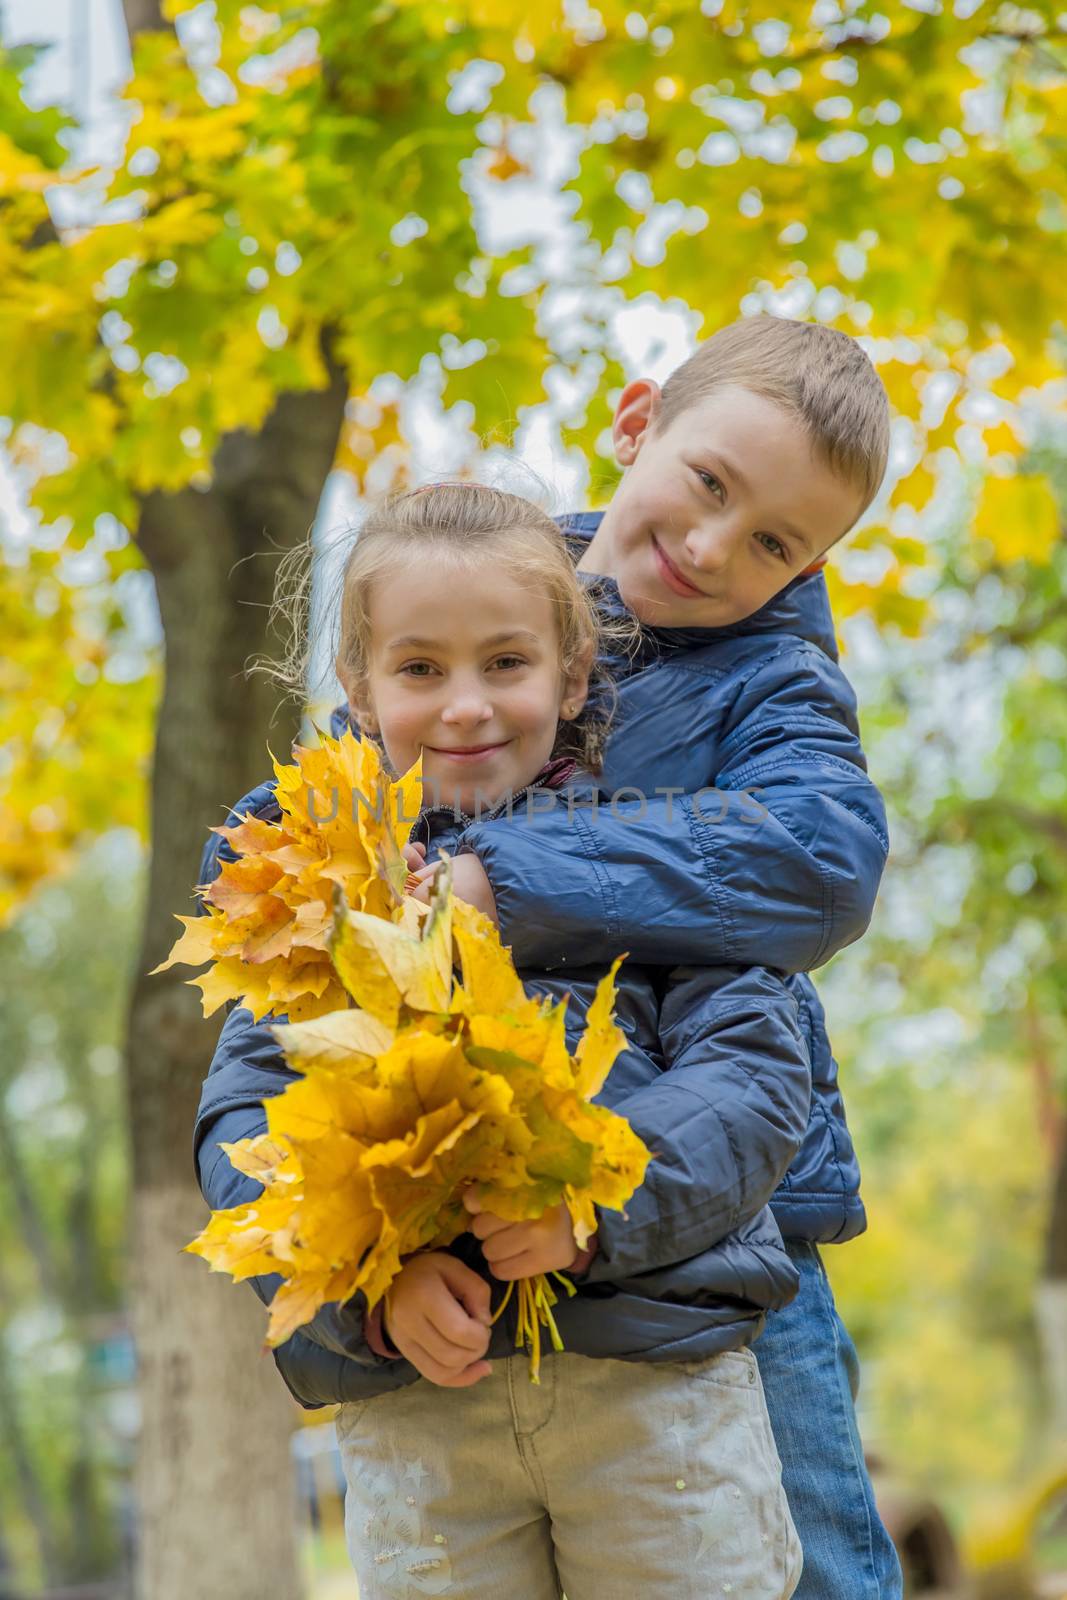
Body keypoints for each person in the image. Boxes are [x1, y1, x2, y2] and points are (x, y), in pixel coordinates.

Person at [199, 312, 903, 1597]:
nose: (708, 548)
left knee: (806, 1560)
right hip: (469, 1249)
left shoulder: (774, 682)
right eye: (705, 485)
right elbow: (289, 909)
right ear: (636, 424)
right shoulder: (472, 597)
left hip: (725, 1215)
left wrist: (495, 882)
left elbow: (819, 859)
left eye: (772, 543)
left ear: (812, 566)